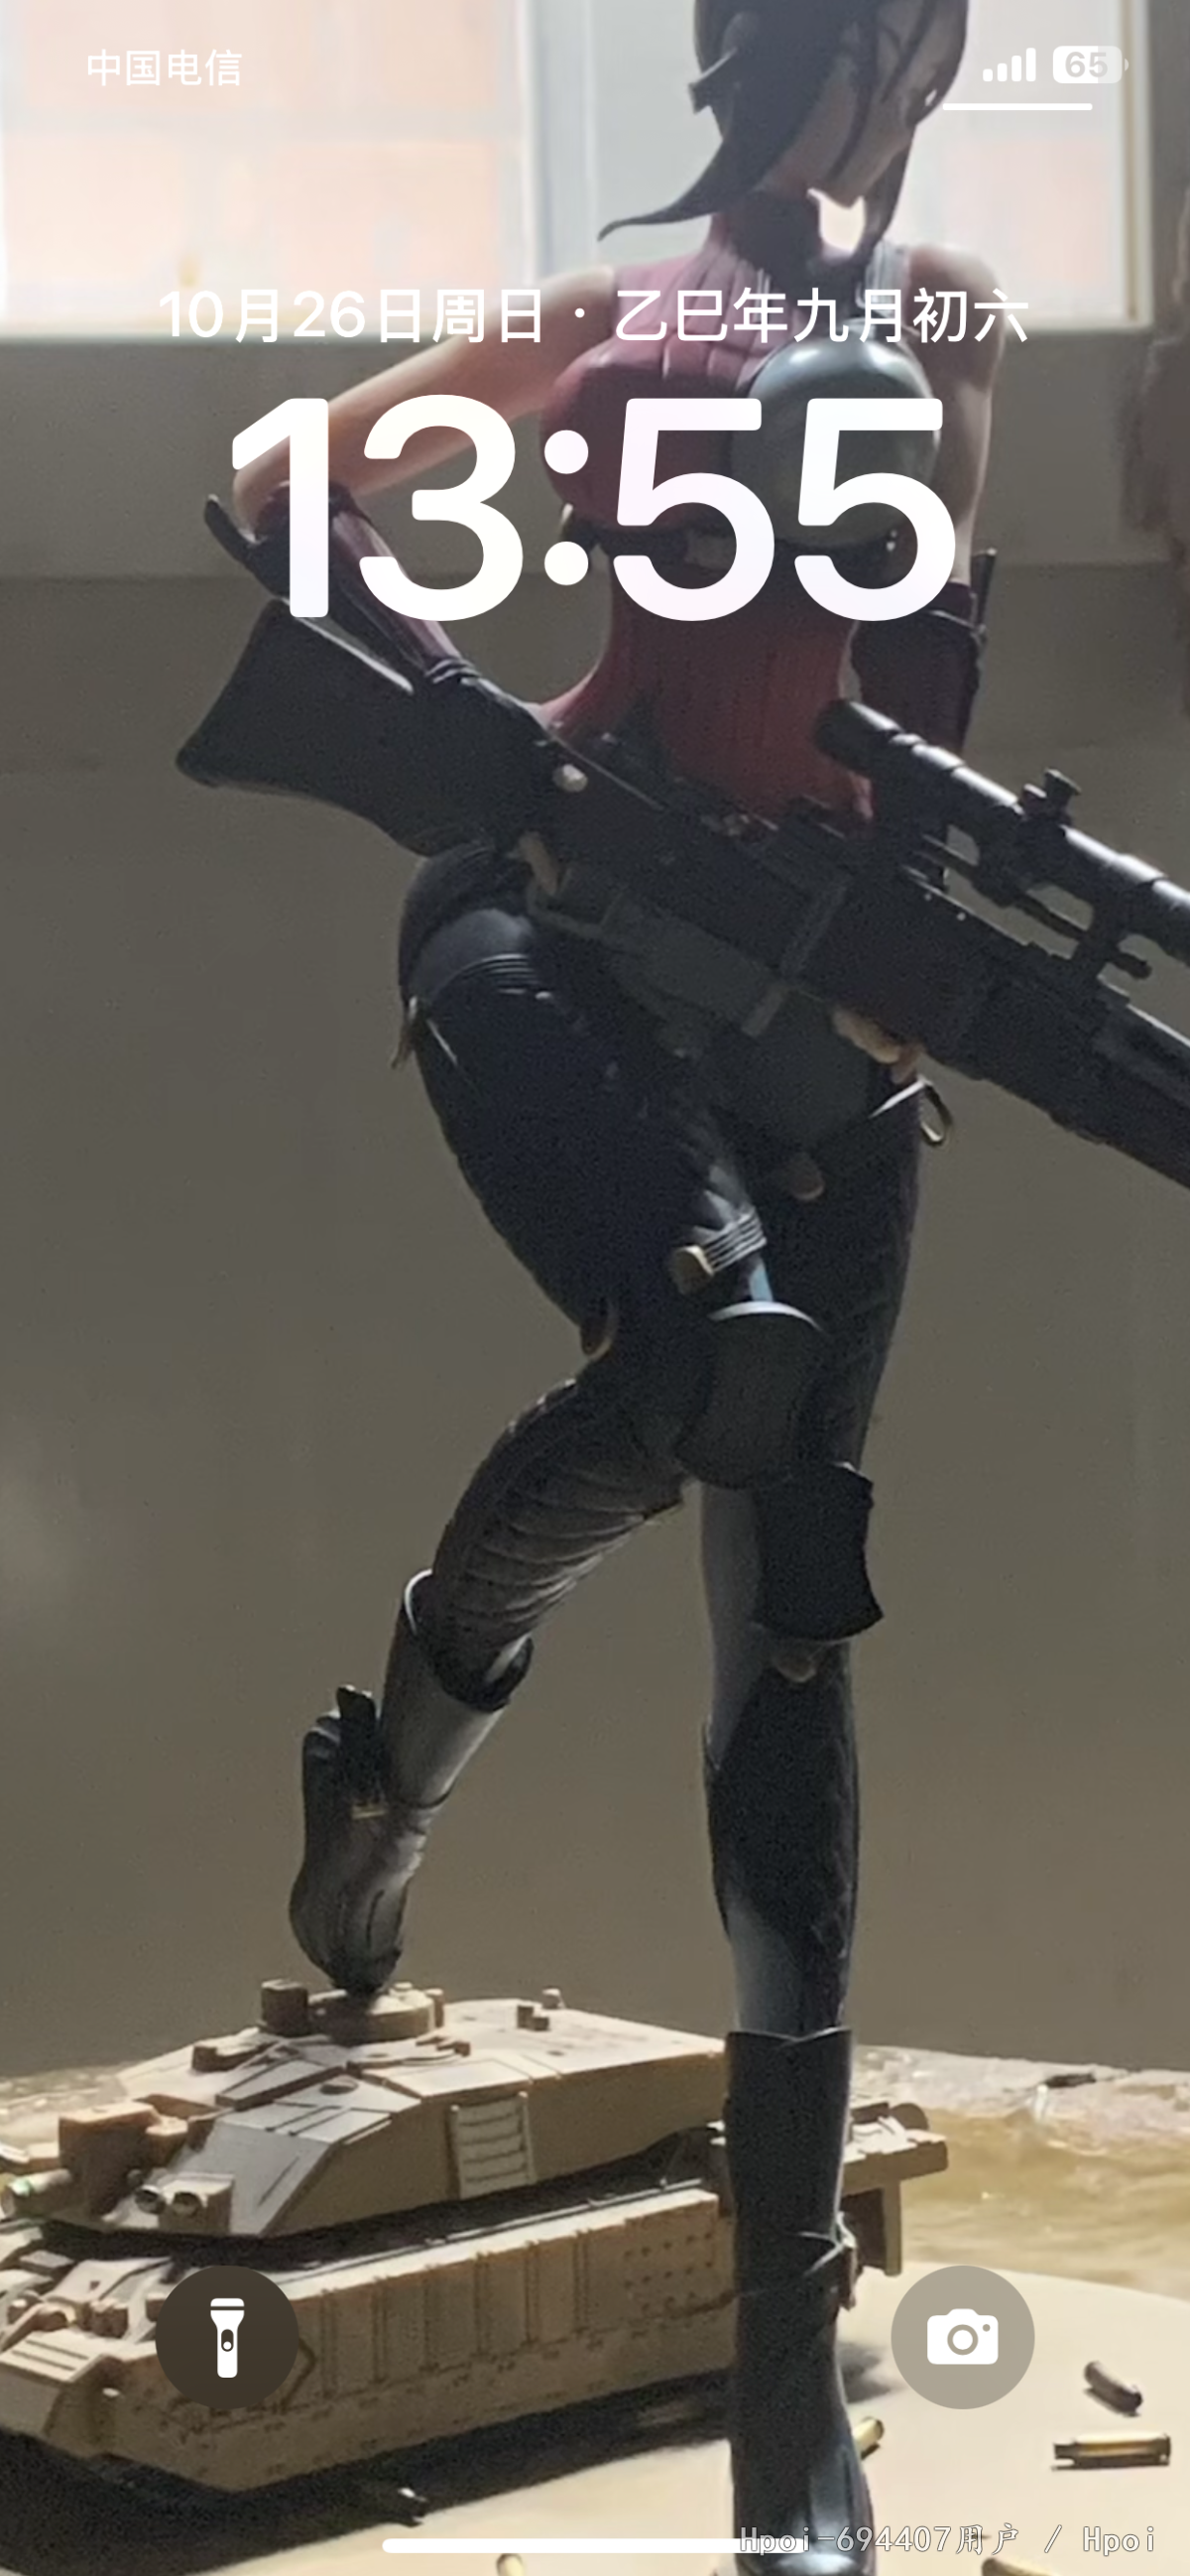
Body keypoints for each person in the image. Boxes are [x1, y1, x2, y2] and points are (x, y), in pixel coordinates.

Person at [232, 5, 1005, 2567]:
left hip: (809, 1009)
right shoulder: (612, 313)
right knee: (697, 1370)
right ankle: (401, 1763)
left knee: (794, 1630)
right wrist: (476, 728)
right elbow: (286, 478)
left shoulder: (944, 324)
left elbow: (914, 691)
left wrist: (906, 960)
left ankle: (794, 2408)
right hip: (558, 933)